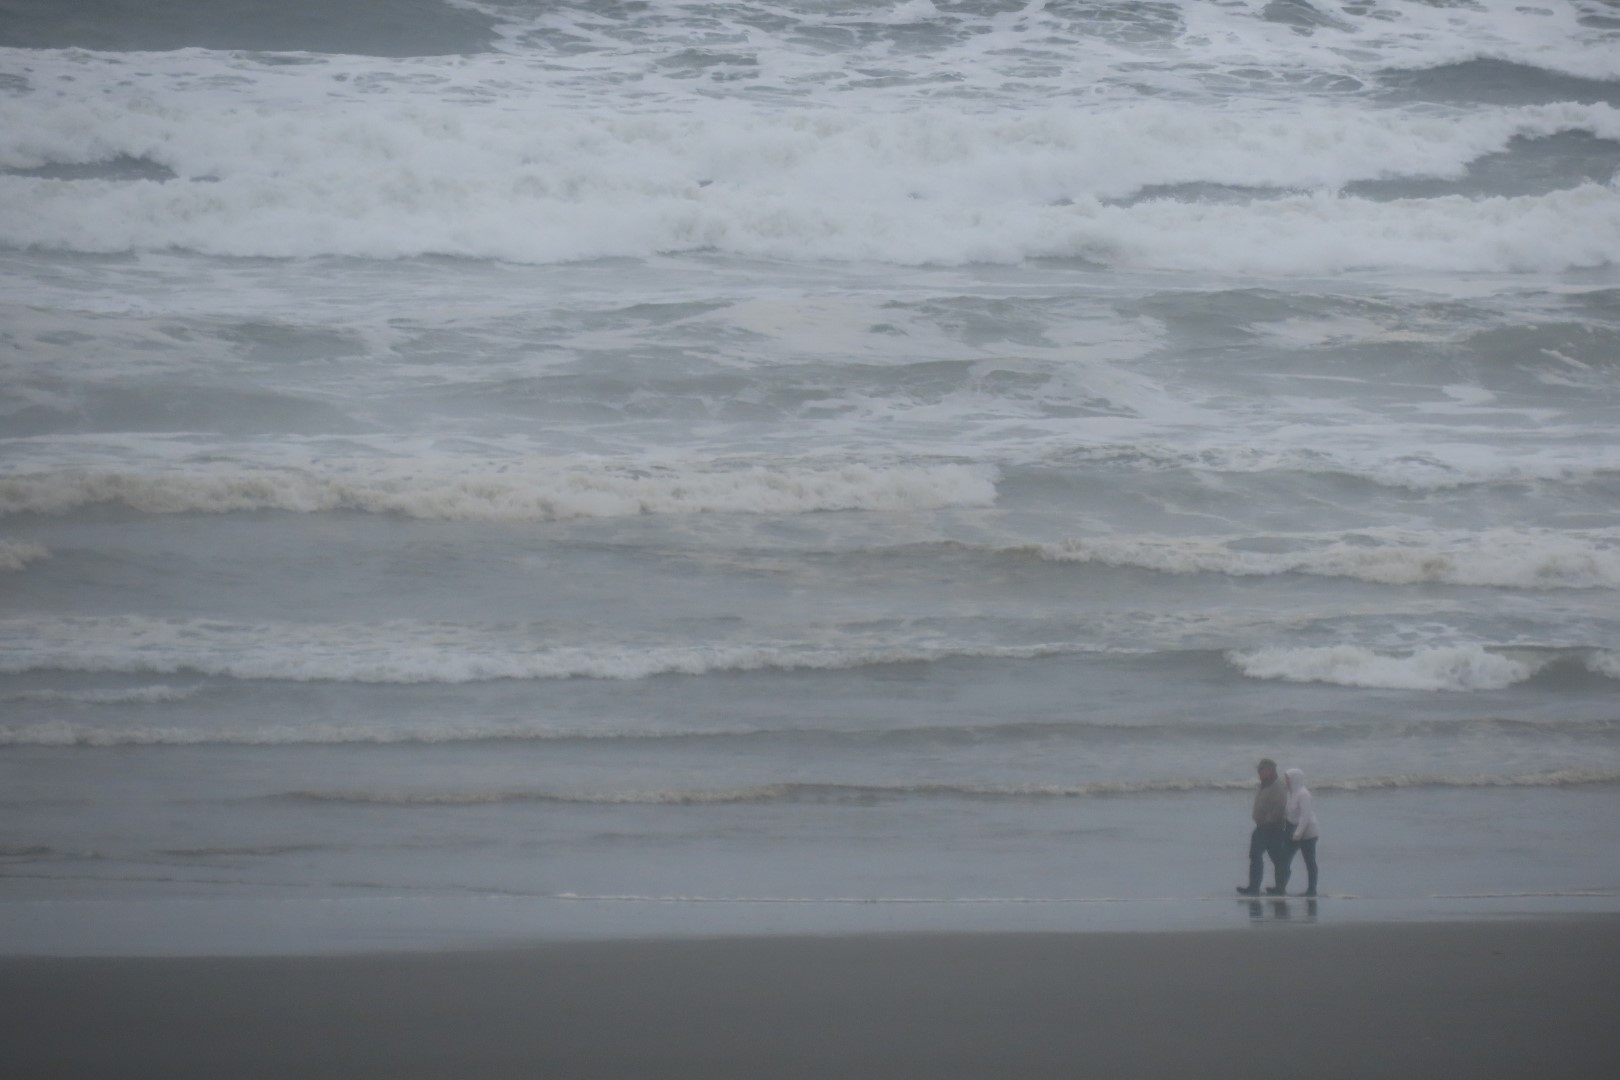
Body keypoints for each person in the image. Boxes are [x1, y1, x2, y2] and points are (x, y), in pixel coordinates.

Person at [1237, 758, 1287, 896]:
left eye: (1261, 770)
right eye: (1258, 770)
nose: (1258, 772)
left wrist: (1269, 820)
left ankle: (1279, 888)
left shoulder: (1278, 786)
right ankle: (1254, 887)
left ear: (1269, 771)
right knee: (1255, 855)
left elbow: (1280, 807)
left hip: (1273, 828)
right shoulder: (1263, 784)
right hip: (1262, 827)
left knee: (1275, 858)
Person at [1278, 766, 1320, 897]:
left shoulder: (1304, 794)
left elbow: (1305, 816)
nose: (1286, 781)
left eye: (1287, 779)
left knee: (1309, 861)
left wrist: (1298, 833)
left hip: (1308, 833)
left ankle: (1312, 890)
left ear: (1294, 779)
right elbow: (1290, 814)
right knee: (1284, 859)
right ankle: (1280, 888)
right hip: (1293, 831)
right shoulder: (1291, 793)